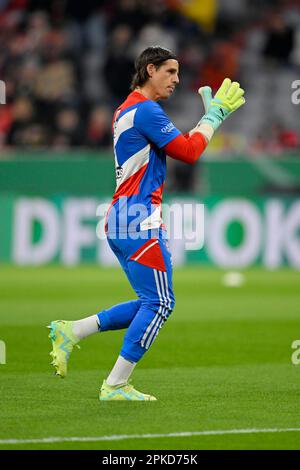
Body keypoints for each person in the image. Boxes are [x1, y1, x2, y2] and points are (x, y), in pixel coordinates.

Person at [48, 46, 245, 401]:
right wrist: (213, 118)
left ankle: (73, 330)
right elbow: (189, 152)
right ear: (150, 70)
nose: (177, 79)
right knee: (160, 303)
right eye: (170, 72)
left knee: (149, 299)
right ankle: (116, 384)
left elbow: (175, 146)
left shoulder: (126, 109)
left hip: (121, 218)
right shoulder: (146, 111)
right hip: (139, 218)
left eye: (178, 73)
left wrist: (208, 119)